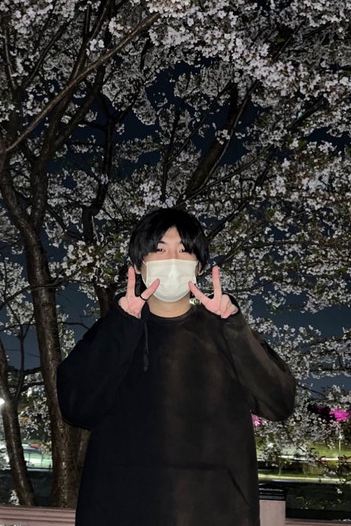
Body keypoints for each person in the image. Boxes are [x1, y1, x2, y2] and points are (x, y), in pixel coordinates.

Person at [57, 208, 296, 526]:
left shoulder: (224, 329)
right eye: (159, 249)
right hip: (121, 512)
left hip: (216, 514)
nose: (172, 260)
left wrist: (233, 328)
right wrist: (120, 325)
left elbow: (279, 402)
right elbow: (76, 408)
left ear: (199, 266)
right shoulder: (114, 330)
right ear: (139, 264)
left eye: (184, 250)